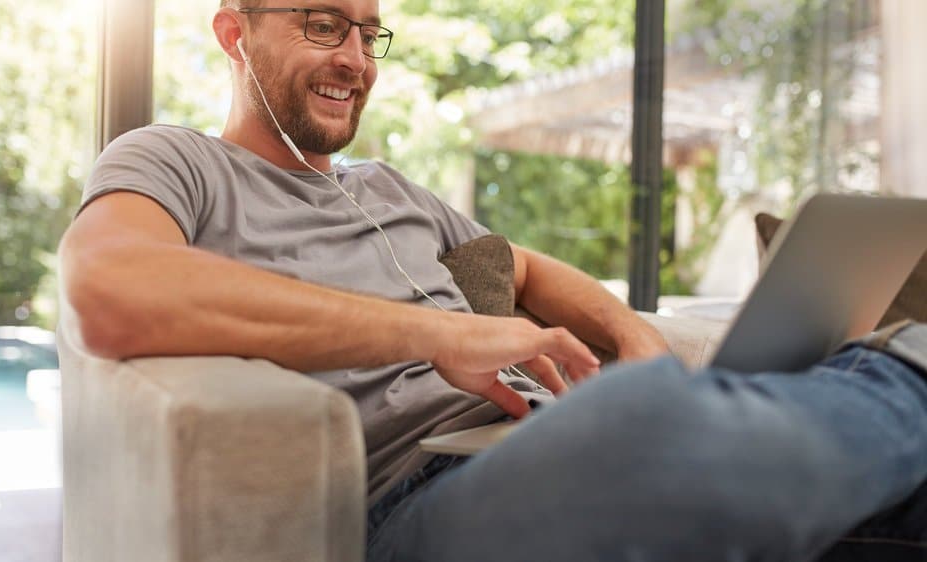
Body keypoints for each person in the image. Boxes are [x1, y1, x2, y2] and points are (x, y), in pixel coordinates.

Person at [58, 0, 927, 560]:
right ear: (234, 32)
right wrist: (445, 333)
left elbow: (526, 268)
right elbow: (112, 288)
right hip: (414, 499)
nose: (354, 60)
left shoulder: (391, 190)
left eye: (369, 34)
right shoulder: (175, 161)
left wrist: (634, 335)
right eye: (322, 24)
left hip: (537, 439)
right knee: (646, 427)